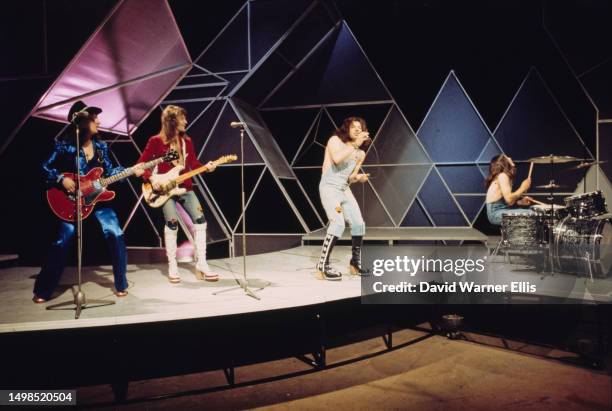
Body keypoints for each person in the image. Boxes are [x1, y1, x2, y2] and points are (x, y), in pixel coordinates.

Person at [33, 100, 145, 303]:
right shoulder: (66, 146)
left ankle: (121, 284)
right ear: (83, 122)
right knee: (63, 240)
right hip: (71, 201)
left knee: (116, 233)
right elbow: (43, 167)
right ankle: (43, 289)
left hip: (99, 200)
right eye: (95, 118)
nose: (99, 121)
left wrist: (131, 170)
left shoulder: (101, 147)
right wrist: (61, 178)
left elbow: (110, 172)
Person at [138, 105, 218, 283]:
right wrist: (151, 180)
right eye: (183, 118)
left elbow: (194, 163)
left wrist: (207, 167)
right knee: (172, 224)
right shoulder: (156, 141)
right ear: (172, 121)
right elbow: (141, 165)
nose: (186, 122)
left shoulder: (187, 142)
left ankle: (202, 264)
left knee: (201, 222)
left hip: (185, 187)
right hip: (165, 190)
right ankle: (173, 265)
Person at [316, 117, 371, 281]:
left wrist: (358, 177)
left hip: (344, 190)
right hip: (329, 188)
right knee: (338, 222)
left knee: (358, 224)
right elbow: (337, 159)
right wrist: (354, 145)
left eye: (360, 128)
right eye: (353, 127)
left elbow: (350, 177)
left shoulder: (360, 153)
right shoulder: (335, 141)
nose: (357, 130)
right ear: (347, 129)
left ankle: (355, 263)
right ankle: (322, 266)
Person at [485, 154, 535, 225]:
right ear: (504, 162)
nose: (510, 158)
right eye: (507, 158)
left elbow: (509, 202)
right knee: (532, 214)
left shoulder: (502, 176)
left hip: (499, 211)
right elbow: (509, 199)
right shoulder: (502, 175)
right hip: (495, 213)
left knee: (530, 213)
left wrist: (520, 202)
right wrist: (522, 188)